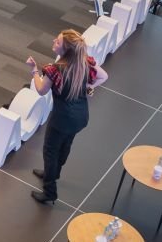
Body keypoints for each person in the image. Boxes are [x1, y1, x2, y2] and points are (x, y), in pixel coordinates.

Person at [28, 29, 108, 204]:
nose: (53, 41)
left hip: (61, 120)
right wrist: (87, 86)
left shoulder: (54, 70)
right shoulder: (83, 63)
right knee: (65, 145)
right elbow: (104, 76)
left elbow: (41, 90)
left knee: (50, 151)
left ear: (65, 50)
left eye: (57, 42)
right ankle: (54, 172)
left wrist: (34, 71)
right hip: (80, 118)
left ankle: (50, 191)